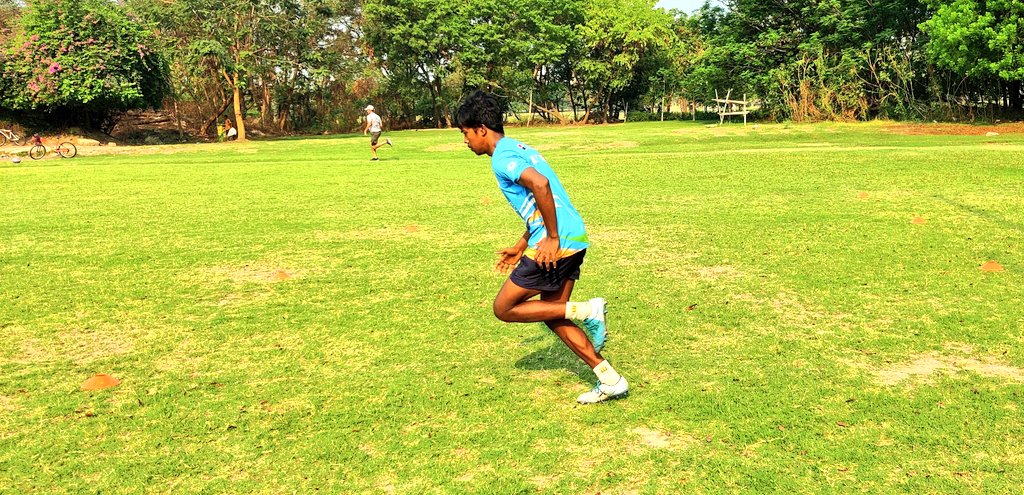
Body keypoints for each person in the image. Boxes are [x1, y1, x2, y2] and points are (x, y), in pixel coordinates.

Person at [456, 90, 629, 404]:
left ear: (481, 129)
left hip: (556, 242)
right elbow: (540, 201)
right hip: (572, 236)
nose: (465, 140)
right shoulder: (519, 148)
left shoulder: (502, 157)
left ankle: (589, 310)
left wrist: (549, 238)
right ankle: (610, 379)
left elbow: (541, 185)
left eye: (465, 133)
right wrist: (522, 243)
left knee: (504, 308)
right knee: (551, 313)